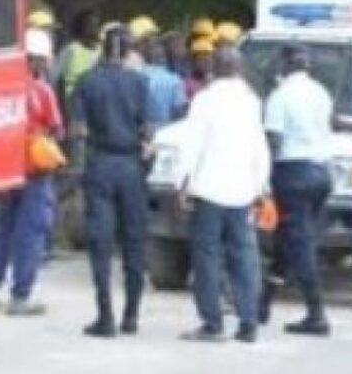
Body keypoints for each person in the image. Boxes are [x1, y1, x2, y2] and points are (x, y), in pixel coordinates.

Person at [175, 44, 270, 343]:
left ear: (213, 69)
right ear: (240, 68)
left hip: (209, 190)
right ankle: (248, 322)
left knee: (206, 258)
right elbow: (259, 146)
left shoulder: (205, 100)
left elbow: (192, 144)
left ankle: (212, 323)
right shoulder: (251, 100)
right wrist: (260, 186)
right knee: (244, 258)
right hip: (242, 191)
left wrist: (182, 182)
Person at [73, 22, 150, 338]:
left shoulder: (87, 81)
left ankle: (105, 314)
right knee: (134, 240)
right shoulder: (139, 82)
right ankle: (131, 315)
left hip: (101, 163)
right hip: (132, 166)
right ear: (129, 50)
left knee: (100, 242)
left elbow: (77, 130)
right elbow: (147, 131)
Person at [0, 28, 64, 316]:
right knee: (30, 232)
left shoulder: (1, 88)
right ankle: (21, 296)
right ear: (36, 60)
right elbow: (57, 128)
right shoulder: (41, 90)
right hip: (35, 171)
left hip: (6, 169)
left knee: (4, 229)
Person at [263, 43, 335, 335]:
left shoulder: (280, 96)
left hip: (292, 172)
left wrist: (261, 174)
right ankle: (262, 303)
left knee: (300, 242)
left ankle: (316, 313)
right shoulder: (321, 92)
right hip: (320, 172)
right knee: (287, 239)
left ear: (284, 64)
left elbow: (274, 140)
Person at [141, 38, 188, 132]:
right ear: (164, 56)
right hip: (168, 134)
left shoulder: (136, 77)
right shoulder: (174, 80)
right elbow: (180, 113)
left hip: (143, 135)